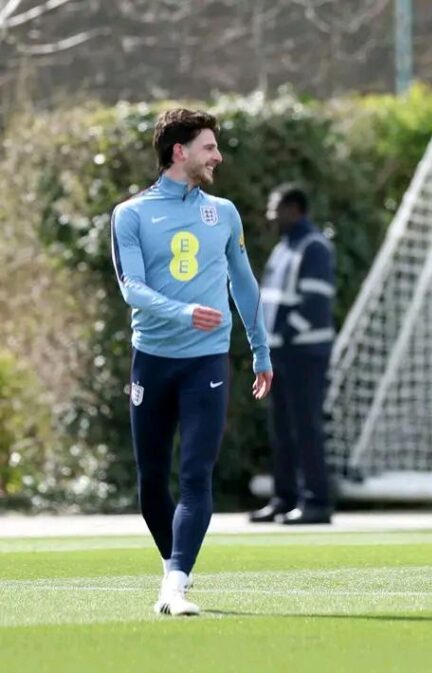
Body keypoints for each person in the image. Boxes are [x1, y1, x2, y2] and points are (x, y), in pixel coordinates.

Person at [110, 108, 273, 616]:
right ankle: (173, 566)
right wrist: (183, 311)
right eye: (208, 147)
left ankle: (176, 581)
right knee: (151, 479)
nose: (218, 156)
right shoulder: (131, 214)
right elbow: (131, 289)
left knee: (197, 475)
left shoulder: (223, 212)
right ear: (179, 152)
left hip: (207, 361)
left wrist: (261, 350)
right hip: (152, 361)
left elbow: (243, 283)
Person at [249, 184, 336, 525]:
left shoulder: (314, 246)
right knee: (281, 428)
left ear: (295, 209)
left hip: (305, 354)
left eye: (277, 209)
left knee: (306, 427)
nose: (271, 215)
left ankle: (316, 501)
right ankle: (284, 498)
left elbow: (314, 303)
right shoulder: (284, 248)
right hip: (280, 353)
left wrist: (282, 336)